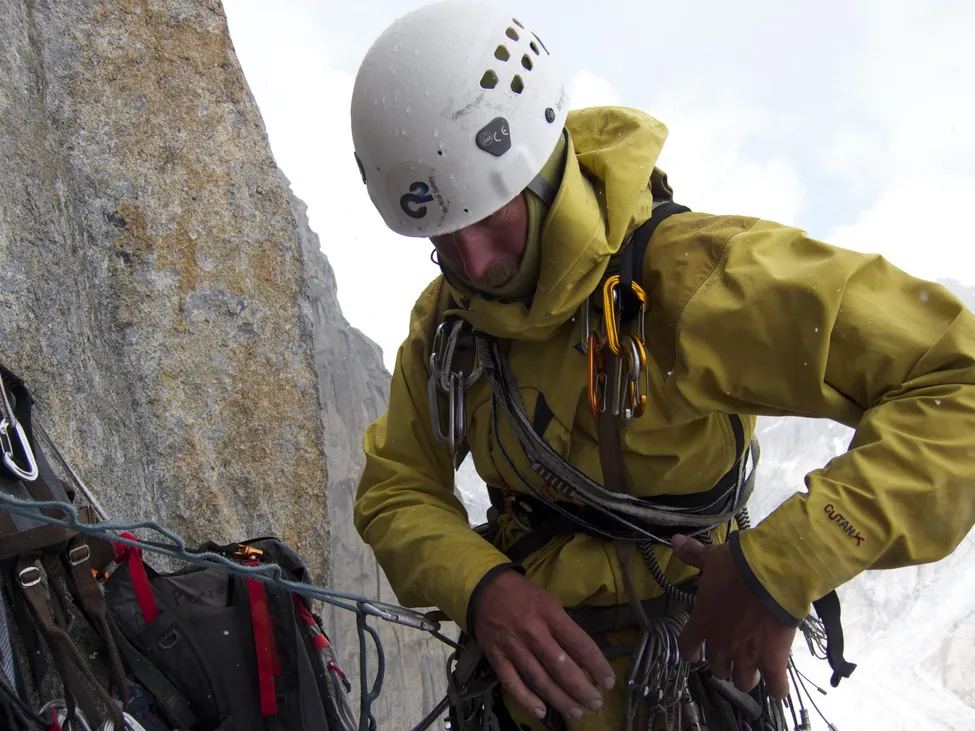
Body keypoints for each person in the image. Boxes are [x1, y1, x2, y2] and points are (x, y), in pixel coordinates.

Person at [349, 1, 975, 729]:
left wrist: (785, 561)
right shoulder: (447, 324)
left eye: (490, 217)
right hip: (523, 706)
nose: (473, 263)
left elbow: (955, 378)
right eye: (444, 233)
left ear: (545, 170)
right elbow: (395, 489)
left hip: (687, 690)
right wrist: (481, 585)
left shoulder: (690, 279)